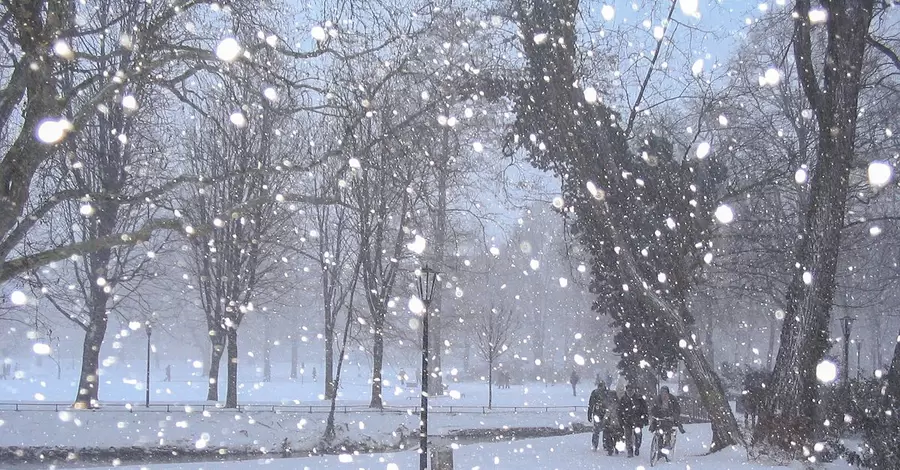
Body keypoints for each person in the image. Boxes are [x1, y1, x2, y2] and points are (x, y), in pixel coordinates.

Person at [649, 386, 686, 462]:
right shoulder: (657, 399)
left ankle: (667, 444)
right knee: (658, 432)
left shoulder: (672, 399)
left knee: (668, 430)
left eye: (665, 393)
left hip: (669, 418)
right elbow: (653, 409)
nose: (664, 395)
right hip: (659, 418)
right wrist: (653, 415)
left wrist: (673, 417)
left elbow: (677, 409)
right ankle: (659, 449)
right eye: (662, 393)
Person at [618, 383, 648, 457]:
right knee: (628, 436)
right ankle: (629, 450)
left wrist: (645, 418)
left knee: (638, 436)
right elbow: (619, 410)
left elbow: (645, 410)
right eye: (628, 390)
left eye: (631, 390)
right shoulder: (623, 399)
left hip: (637, 421)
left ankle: (637, 447)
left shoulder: (639, 399)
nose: (630, 392)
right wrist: (621, 420)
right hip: (627, 421)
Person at [587, 381, 608, 451]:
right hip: (603, 413)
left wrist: (589, 414)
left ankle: (595, 445)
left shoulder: (595, 392)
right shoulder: (606, 392)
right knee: (605, 429)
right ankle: (605, 445)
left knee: (597, 430)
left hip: (598, 412)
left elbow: (591, 404)